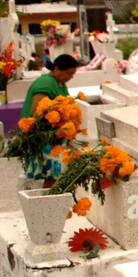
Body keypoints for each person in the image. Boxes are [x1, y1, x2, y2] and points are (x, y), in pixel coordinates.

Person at [20, 54, 80, 185]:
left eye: (73, 74)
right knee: (51, 174)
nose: (70, 77)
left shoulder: (60, 83)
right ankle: (48, 200)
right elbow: (37, 112)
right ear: (57, 69)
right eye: (68, 73)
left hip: (53, 136)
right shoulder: (45, 83)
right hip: (41, 135)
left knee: (54, 174)